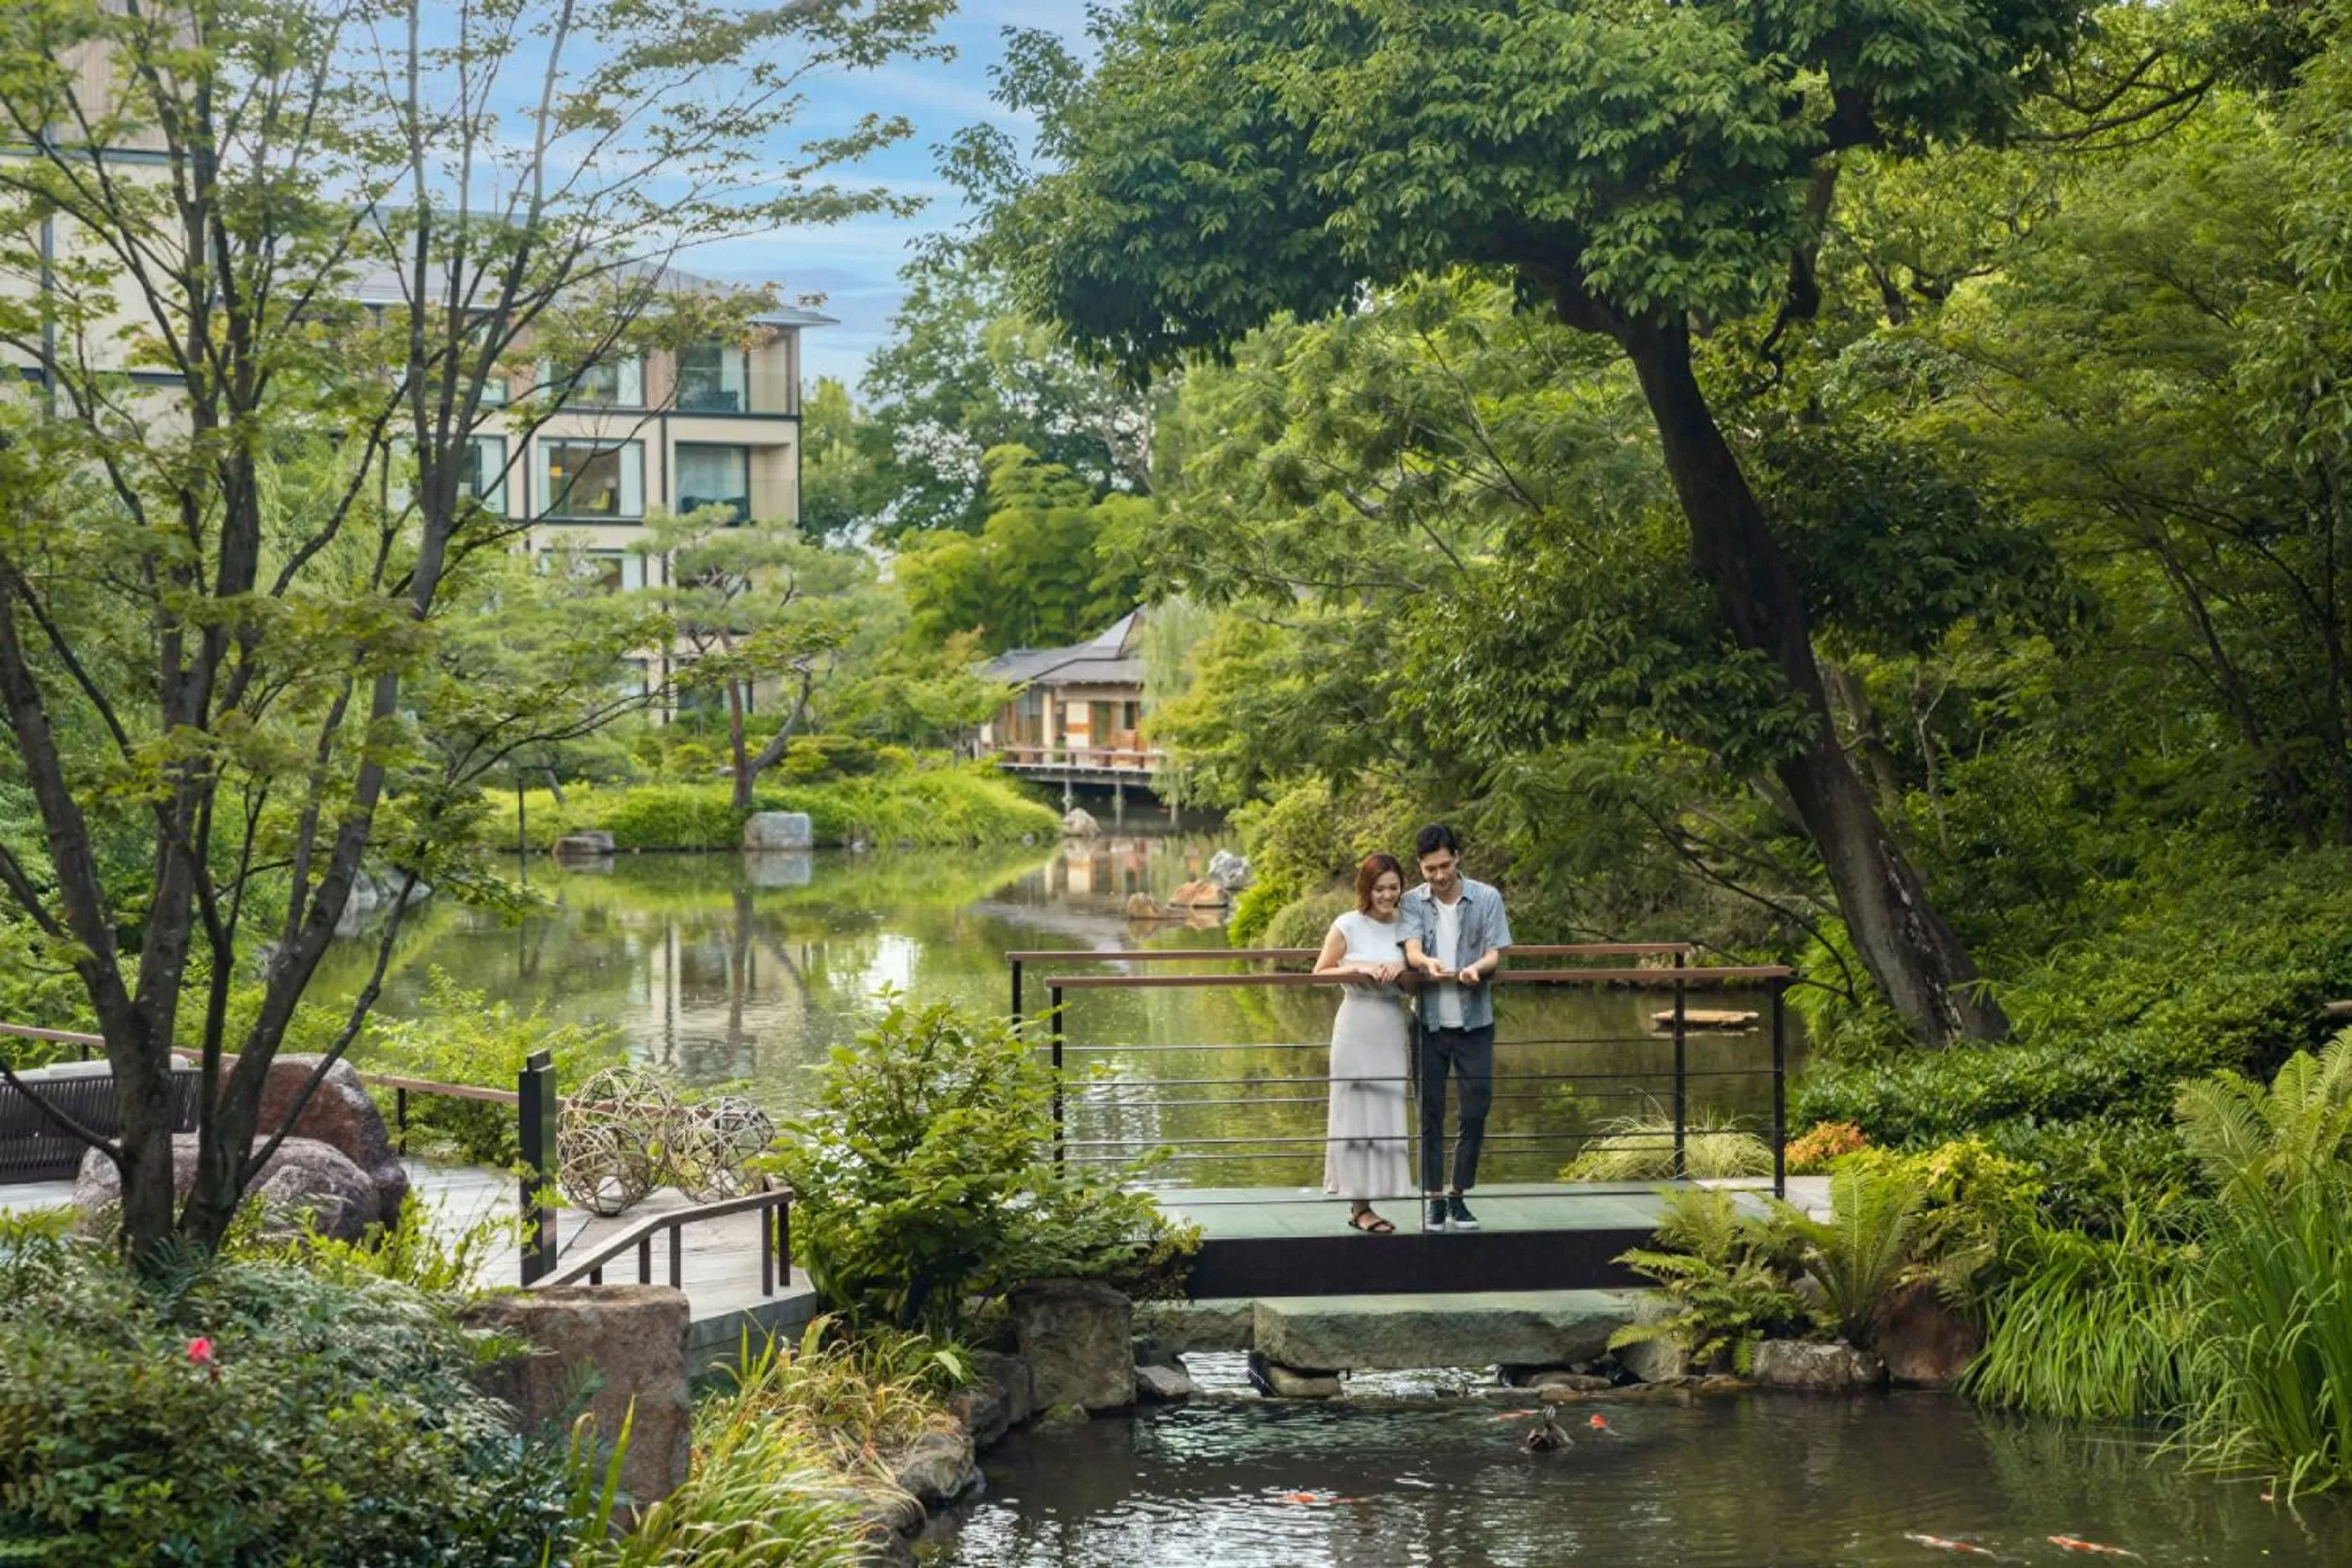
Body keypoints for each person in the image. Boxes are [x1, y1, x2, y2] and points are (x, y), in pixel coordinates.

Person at [1402, 824, 1513, 1232]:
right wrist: (1426, 963)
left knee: (1476, 1108)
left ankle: (1458, 1195)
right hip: (1427, 1023)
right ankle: (1433, 1201)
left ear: (1458, 857)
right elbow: (1411, 947)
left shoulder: (1486, 897)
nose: (1439, 876)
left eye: (1445, 866)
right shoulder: (1413, 901)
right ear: (1421, 866)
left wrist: (1475, 969)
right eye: (1430, 869)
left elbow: (1495, 952)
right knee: (1429, 1112)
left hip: (1475, 1021)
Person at [1313, 852, 1414, 1232]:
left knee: (1385, 1107)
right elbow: (1321, 970)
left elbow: (1420, 968)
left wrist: (1403, 967)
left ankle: (1381, 1193)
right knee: (1354, 1110)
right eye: (1379, 889)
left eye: (1393, 887)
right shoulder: (1347, 925)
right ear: (1366, 889)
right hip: (1355, 1023)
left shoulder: (1409, 926)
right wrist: (1361, 968)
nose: (1387, 895)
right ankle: (1359, 1207)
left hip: (1389, 1024)